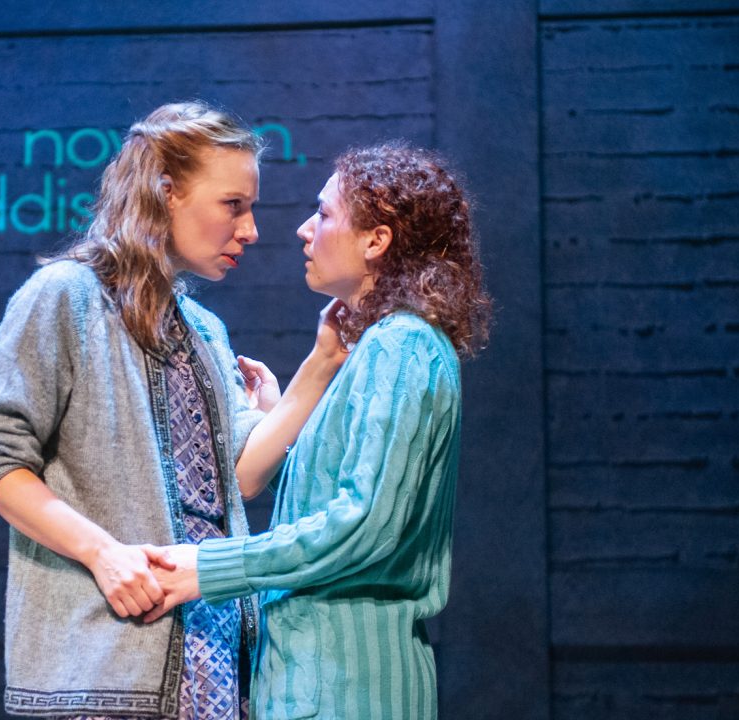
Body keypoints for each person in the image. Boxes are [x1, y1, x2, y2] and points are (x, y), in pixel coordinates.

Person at [0, 101, 346, 719]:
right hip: (106, 667)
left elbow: (236, 476)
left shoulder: (204, 329)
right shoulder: (67, 297)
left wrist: (320, 365)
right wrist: (103, 553)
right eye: (232, 205)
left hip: (215, 665)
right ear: (166, 194)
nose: (251, 230)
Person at [145, 142, 492, 719]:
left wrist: (206, 569)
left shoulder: (401, 345)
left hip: (345, 687)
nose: (306, 230)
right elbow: (345, 498)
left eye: (325, 214)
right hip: (318, 683)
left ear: (376, 241)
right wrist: (288, 406)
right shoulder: (380, 350)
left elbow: (365, 526)